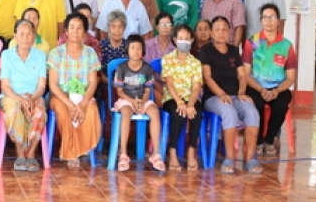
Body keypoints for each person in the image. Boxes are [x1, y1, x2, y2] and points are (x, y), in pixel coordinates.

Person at [199, 16, 261, 175]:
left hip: (235, 95)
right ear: (212, 33)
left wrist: (241, 92)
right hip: (214, 97)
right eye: (217, 29)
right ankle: (229, 158)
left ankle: (250, 158)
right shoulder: (206, 50)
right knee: (229, 111)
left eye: (225, 29)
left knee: (251, 111)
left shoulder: (234, 50)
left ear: (230, 32)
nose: (221, 32)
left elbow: (242, 76)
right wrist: (221, 93)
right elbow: (207, 77)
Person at [47, 12, 101, 170]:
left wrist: (83, 103)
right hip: (61, 96)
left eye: (79, 28)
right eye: (72, 27)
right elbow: (53, 85)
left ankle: (82, 147)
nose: (75, 31)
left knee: (91, 109)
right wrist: (70, 104)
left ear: (85, 33)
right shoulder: (56, 53)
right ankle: (72, 152)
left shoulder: (90, 53)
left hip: (83, 96)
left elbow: (93, 82)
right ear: (65, 31)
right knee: (63, 111)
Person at [244, 3, 297, 156]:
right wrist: (261, 89)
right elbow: (246, 74)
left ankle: (269, 139)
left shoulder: (286, 45)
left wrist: (276, 90)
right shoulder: (252, 42)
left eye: (272, 17)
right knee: (256, 104)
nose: (268, 21)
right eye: (265, 17)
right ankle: (258, 140)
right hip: (255, 86)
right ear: (261, 20)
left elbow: (290, 77)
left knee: (281, 104)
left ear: (278, 21)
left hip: (279, 87)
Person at [112, 34, 165, 172]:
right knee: (126, 113)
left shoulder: (147, 68)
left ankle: (156, 154)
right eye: (132, 48)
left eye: (139, 48)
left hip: (143, 100)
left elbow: (148, 90)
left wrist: (142, 101)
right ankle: (123, 153)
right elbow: (120, 92)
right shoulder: (121, 68)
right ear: (127, 50)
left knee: (154, 111)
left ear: (143, 50)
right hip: (126, 100)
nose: (136, 51)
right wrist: (132, 102)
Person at [0, 19, 47, 172]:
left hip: (33, 96)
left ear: (34, 36)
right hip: (12, 96)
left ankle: (32, 152)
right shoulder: (6, 55)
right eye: (22, 34)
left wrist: (31, 99)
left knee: (39, 111)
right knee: (14, 110)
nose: (25, 38)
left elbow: (41, 86)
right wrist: (20, 100)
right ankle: (20, 151)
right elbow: (5, 85)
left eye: (29, 34)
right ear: (15, 36)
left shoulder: (40, 56)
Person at [161, 24, 203, 171]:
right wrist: (180, 102)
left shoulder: (196, 63)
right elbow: (169, 84)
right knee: (178, 114)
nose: (184, 42)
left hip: (190, 98)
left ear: (192, 40)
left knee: (196, 114)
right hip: (172, 98)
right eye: (180, 38)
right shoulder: (167, 59)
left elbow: (197, 86)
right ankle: (172, 152)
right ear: (175, 40)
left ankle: (192, 151)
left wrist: (190, 104)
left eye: (187, 39)